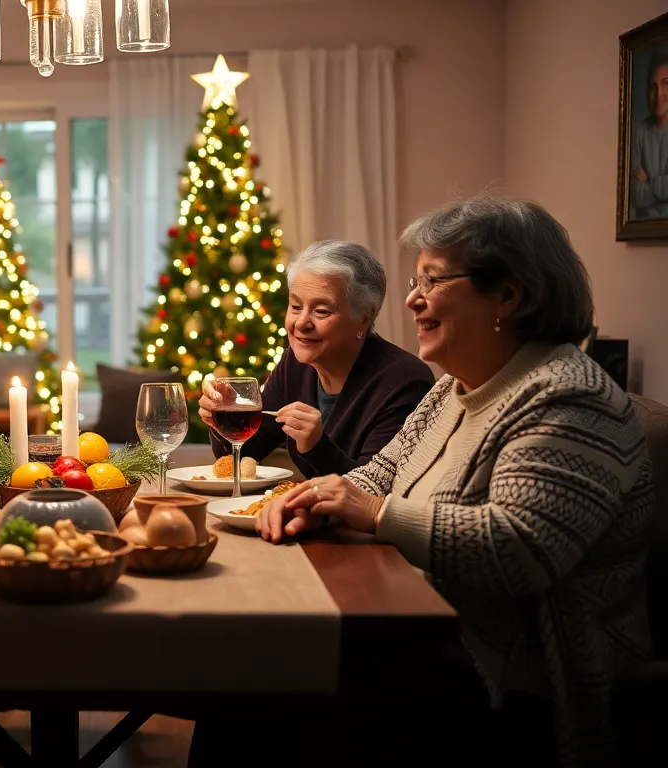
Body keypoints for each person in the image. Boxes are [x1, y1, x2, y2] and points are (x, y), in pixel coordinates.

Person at [252, 193, 653, 765]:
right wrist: (316, 496)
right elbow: (382, 472)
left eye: (433, 281)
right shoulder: (453, 386)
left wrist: (374, 512)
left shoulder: (568, 398)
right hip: (423, 635)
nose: (412, 301)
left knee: (269, 703)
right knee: (255, 684)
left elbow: (518, 549)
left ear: (508, 295)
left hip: (511, 678)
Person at [199, 240, 434, 479]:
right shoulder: (294, 364)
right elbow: (250, 450)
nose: (301, 323)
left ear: (364, 316)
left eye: (321, 311)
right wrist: (225, 417)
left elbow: (372, 490)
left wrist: (317, 445)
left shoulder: (404, 382)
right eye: (295, 306)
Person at [630, 46, 668, 220]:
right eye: (653, 86)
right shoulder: (640, 134)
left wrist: (649, 182)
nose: (659, 93)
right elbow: (636, 194)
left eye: (666, 83)